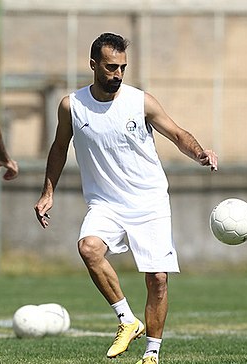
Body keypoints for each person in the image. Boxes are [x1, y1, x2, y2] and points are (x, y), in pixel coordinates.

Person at [34, 32, 218, 364]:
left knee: (157, 279)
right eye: (110, 67)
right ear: (93, 65)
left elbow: (176, 133)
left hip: (149, 201)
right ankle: (126, 319)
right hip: (105, 203)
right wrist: (48, 192)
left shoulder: (140, 101)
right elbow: (59, 149)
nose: (117, 74)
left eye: (122, 67)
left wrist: (200, 152)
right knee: (88, 248)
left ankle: (151, 353)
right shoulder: (71, 106)